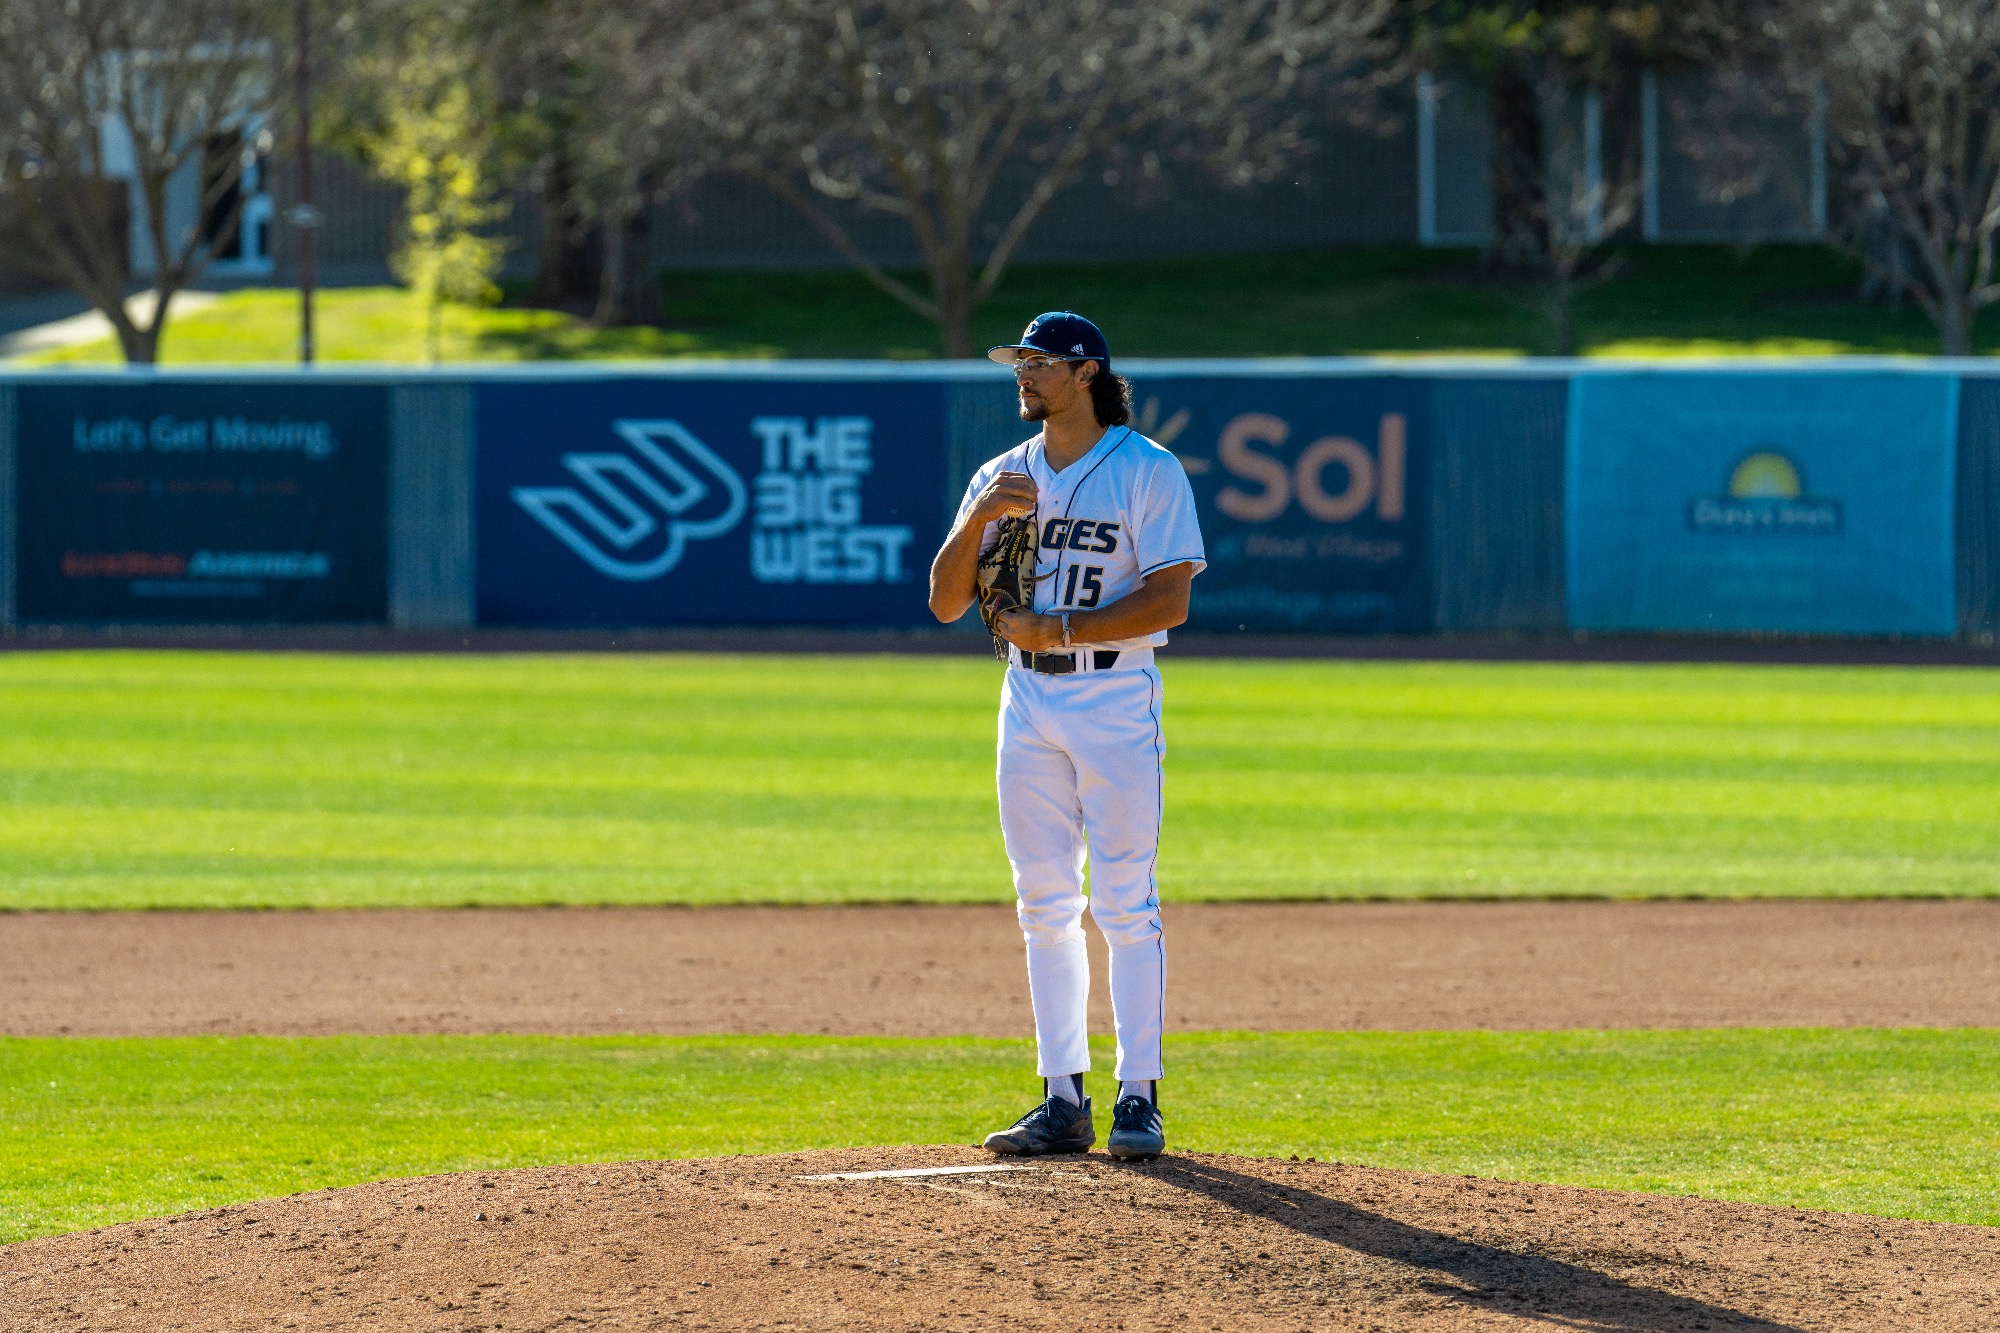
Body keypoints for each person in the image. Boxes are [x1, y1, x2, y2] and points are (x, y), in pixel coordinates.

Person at [928, 311, 1206, 1160]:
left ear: (1086, 374)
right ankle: (1060, 1096)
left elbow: (1170, 601)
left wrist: (1061, 629)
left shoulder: (1146, 470)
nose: (1025, 376)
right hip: (1026, 702)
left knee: (1127, 901)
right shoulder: (999, 474)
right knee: (1043, 901)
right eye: (1020, 363)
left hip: (1116, 696)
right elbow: (944, 601)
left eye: (1040, 364)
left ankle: (1137, 1096)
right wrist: (976, 517)